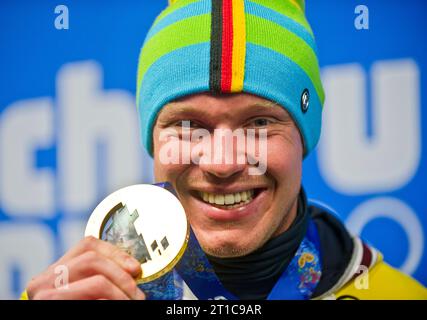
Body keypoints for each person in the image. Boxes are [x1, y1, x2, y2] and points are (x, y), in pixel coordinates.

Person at [23, 0, 427, 300]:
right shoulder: (70, 293)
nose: (222, 162)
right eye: (187, 125)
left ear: (305, 135)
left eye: (259, 123)